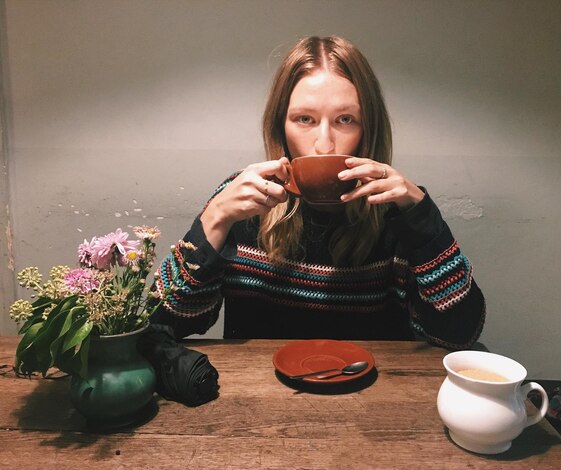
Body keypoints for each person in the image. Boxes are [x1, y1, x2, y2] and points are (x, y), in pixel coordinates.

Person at [149, 35, 486, 349]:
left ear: (368, 129)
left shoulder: (395, 208)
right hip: (260, 395)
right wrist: (214, 219)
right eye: (305, 119)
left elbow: (459, 335)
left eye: (345, 120)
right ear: (280, 126)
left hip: (372, 397)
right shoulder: (246, 199)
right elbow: (161, 323)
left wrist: (421, 218)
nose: (324, 145)